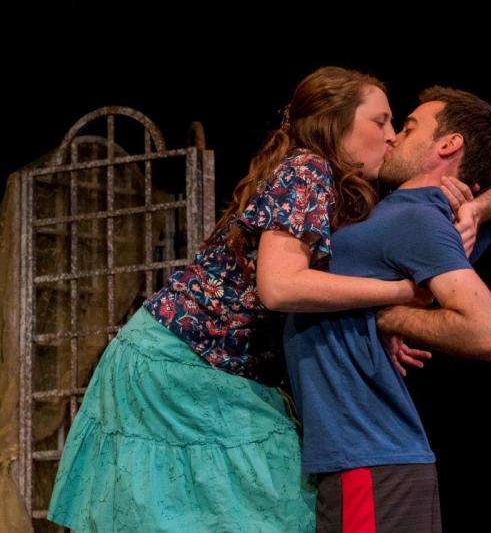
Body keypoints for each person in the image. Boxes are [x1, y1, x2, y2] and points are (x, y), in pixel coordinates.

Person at [47, 66, 433, 532]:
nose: (391, 137)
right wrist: (401, 293)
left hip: (210, 370)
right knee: (274, 511)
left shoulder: (325, 184)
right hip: (178, 367)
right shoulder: (309, 169)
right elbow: (282, 286)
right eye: (381, 121)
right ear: (335, 123)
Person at [283, 86, 491, 532]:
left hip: (369, 461)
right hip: (375, 461)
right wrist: (479, 211)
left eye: (409, 128)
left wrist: (384, 316)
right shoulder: (422, 217)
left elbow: (486, 335)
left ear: (448, 145)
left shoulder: (416, 220)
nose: (393, 137)